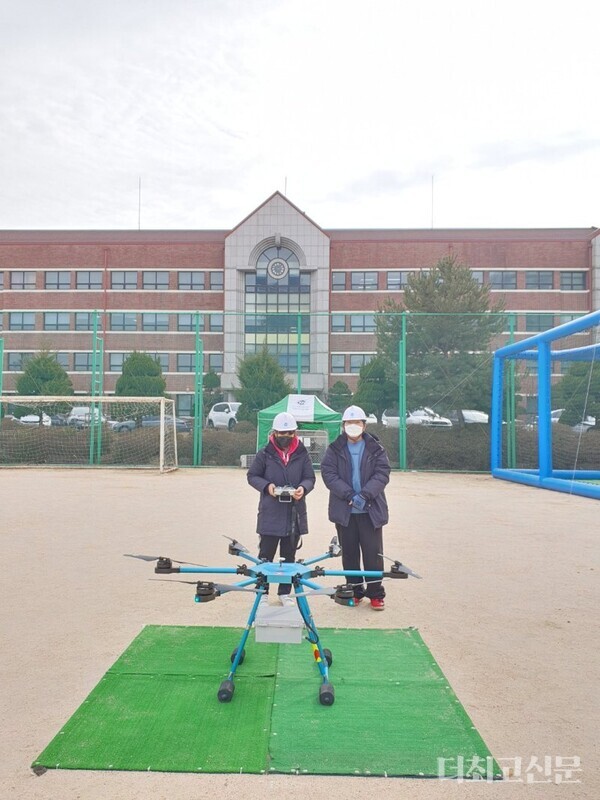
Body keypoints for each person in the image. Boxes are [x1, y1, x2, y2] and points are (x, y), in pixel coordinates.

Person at [321, 405, 391, 610]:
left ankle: (376, 593)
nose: (353, 426)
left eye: (357, 422)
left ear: (364, 425)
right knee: (349, 553)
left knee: (373, 553)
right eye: (349, 423)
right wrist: (350, 495)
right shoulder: (334, 449)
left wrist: (365, 495)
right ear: (344, 426)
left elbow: (382, 474)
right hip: (345, 511)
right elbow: (328, 474)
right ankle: (356, 590)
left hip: (370, 510)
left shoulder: (376, 448)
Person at [247, 411, 315, 603]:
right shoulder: (265, 453)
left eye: (289, 433)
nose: (285, 437)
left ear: (295, 433)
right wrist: (267, 487)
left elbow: (310, 478)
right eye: (281, 433)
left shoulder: (302, 454)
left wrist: (303, 488)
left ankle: (285, 593)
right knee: (265, 556)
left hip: (294, 513)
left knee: (289, 557)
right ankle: (262, 592)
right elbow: (252, 476)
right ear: (275, 433)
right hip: (271, 512)